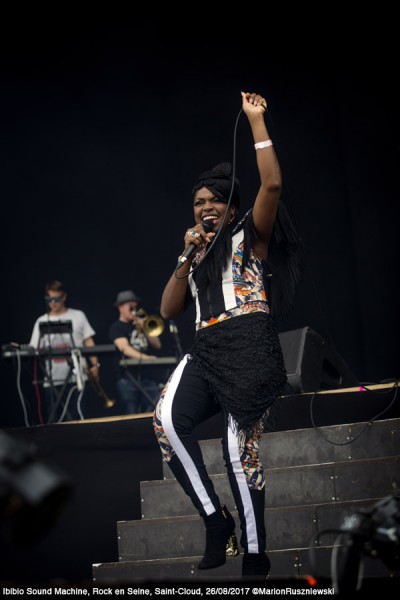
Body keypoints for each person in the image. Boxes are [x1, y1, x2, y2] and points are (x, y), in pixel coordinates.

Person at [153, 91, 303, 579]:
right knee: (167, 422)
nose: (205, 207)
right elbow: (168, 309)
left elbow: (273, 185)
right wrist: (184, 256)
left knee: (240, 450)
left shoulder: (248, 235)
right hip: (207, 347)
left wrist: (257, 121)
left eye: (214, 199)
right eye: (198, 202)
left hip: (248, 345)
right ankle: (216, 521)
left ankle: (255, 555)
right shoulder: (196, 254)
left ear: (231, 205)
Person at [29, 279, 99, 424]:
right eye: (49, 299)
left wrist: (96, 365)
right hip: (53, 379)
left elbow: (89, 342)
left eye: (56, 299)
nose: (52, 303)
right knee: (54, 420)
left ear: (64, 297)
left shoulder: (78, 316)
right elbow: (33, 349)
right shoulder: (41, 321)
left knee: (79, 419)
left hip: (78, 379)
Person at [109, 290, 163, 414]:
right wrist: (146, 358)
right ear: (120, 307)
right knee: (131, 414)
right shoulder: (117, 327)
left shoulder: (141, 323)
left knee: (154, 411)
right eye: (130, 307)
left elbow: (157, 345)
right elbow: (124, 348)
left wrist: (145, 326)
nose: (134, 310)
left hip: (147, 377)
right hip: (127, 377)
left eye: (135, 306)